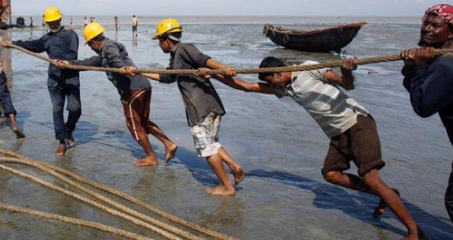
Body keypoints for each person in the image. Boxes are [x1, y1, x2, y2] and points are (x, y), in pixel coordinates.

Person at [218, 57, 423, 239]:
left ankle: (414, 232)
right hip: (336, 133)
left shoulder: (308, 68)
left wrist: (347, 71)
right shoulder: (284, 87)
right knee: (331, 174)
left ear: (279, 72)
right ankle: (387, 194)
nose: (272, 87)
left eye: (271, 81)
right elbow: (246, 86)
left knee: (371, 177)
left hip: (356, 122)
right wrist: (215, 75)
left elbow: (347, 85)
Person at [400, 4, 453, 239]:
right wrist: (412, 69)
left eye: (436, 26)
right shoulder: (448, 58)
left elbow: (423, 106)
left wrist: (416, 68)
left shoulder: (450, 65)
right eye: (426, 23)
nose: (427, 29)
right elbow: (421, 90)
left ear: (451, 33)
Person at [133, 18, 243, 196]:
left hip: (201, 107)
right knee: (212, 142)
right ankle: (233, 166)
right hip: (208, 105)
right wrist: (139, 71)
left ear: (167, 39)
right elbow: (168, 77)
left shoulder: (184, 49)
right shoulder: (176, 57)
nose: (159, 45)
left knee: (206, 148)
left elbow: (204, 60)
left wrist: (224, 68)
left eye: (160, 41)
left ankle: (227, 187)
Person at [56, 23, 178, 166]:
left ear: (94, 42)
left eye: (89, 45)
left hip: (132, 90)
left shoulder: (108, 46)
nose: (90, 48)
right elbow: (87, 62)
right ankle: (169, 144)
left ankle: (151, 156)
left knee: (133, 125)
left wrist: (121, 68)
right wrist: (67, 63)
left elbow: (115, 60)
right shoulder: (103, 54)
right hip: (143, 86)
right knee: (144, 122)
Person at [7, 7, 81, 155]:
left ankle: (68, 130)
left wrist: (64, 62)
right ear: (46, 23)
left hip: (71, 79)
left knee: (75, 109)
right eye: (50, 22)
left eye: (54, 21)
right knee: (57, 110)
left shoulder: (70, 35)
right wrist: (13, 43)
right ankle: (61, 141)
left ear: (60, 19)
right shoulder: (46, 39)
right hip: (54, 81)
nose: (52, 24)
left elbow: (73, 53)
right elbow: (32, 45)